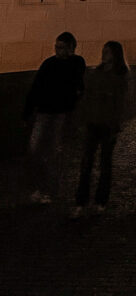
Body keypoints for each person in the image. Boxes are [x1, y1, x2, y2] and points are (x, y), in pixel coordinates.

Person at [24, 31, 86, 204]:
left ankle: (49, 190)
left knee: (53, 152)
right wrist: (28, 112)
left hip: (60, 113)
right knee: (35, 150)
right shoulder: (49, 64)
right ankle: (40, 187)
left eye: (61, 47)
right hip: (44, 112)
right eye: (56, 47)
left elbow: (77, 83)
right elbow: (36, 87)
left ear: (70, 48)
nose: (57, 51)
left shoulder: (76, 62)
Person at [73, 41, 129, 215]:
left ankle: (100, 200)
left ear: (115, 55)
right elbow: (87, 97)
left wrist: (115, 126)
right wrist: (83, 119)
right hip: (93, 122)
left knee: (105, 164)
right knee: (86, 163)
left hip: (107, 125)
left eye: (108, 52)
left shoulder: (120, 76)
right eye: (103, 51)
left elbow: (119, 103)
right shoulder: (96, 73)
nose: (104, 55)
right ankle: (81, 201)